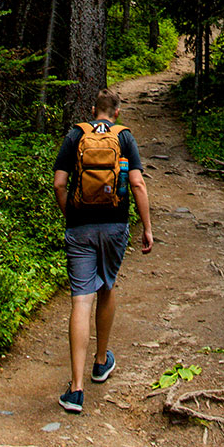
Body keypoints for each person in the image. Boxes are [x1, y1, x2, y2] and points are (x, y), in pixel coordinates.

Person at [53, 86, 154, 412]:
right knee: (107, 287)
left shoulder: (75, 135)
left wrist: (72, 215)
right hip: (114, 226)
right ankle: (100, 362)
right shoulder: (124, 137)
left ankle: (76, 389)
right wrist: (147, 228)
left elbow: (58, 183)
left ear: (93, 109)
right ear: (117, 112)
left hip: (80, 226)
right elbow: (137, 183)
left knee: (81, 299)